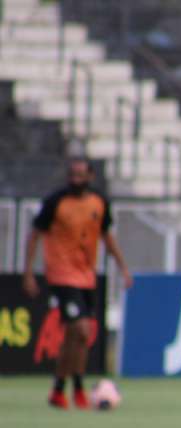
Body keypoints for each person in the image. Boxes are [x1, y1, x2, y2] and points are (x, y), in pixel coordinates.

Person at [22, 157, 133, 409]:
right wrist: (28, 272)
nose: (75, 180)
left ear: (90, 177)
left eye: (81, 175)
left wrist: (123, 267)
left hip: (87, 276)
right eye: (72, 174)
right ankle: (78, 389)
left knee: (79, 337)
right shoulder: (55, 202)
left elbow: (107, 237)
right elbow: (35, 235)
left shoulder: (99, 202)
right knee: (81, 329)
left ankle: (61, 389)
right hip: (61, 274)